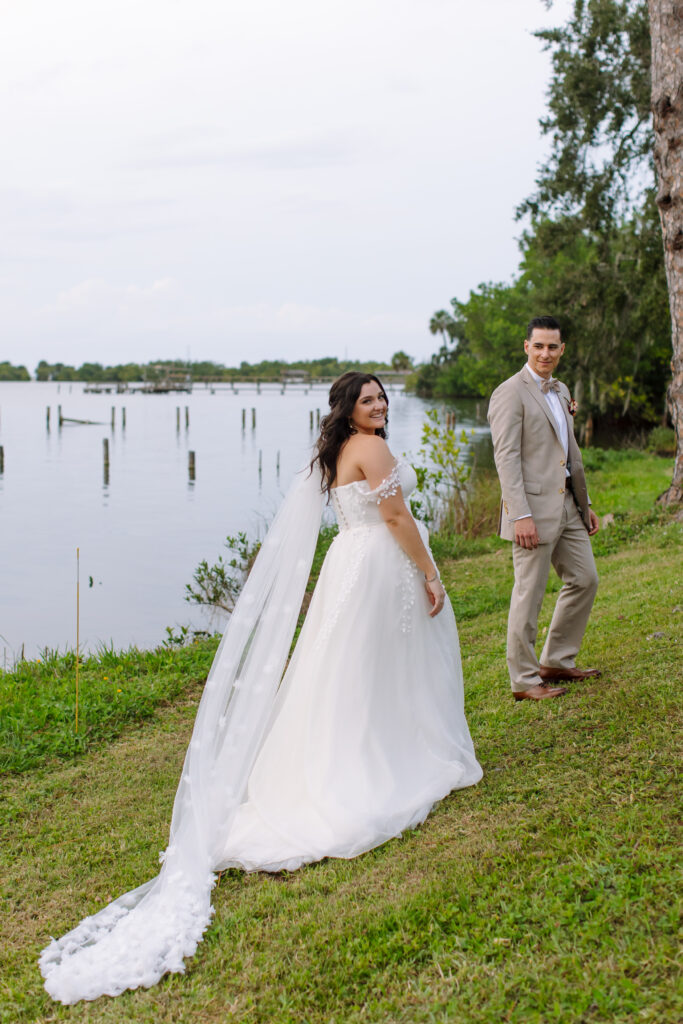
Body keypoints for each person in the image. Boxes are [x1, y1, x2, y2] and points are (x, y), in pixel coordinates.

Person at [41, 371, 482, 1004]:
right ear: (349, 409)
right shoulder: (374, 448)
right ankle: (385, 754)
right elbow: (396, 516)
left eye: (383, 398)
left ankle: (353, 746)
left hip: (347, 566)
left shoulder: (333, 451)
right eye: (369, 399)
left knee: (346, 669)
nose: (380, 406)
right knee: (376, 666)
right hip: (380, 565)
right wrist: (432, 573)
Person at [487, 316, 601, 702]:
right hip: (531, 513)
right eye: (539, 346)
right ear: (526, 347)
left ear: (562, 349)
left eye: (553, 346)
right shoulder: (509, 393)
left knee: (585, 579)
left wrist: (585, 504)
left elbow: (568, 451)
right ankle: (523, 680)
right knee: (529, 595)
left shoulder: (561, 388)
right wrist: (519, 514)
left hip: (568, 505)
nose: (545, 353)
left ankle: (556, 660)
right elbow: (506, 458)